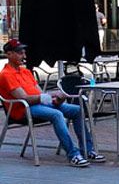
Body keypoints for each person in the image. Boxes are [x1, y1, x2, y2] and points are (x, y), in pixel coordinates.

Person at [0, 39, 102, 167]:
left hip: (38, 104)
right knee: (56, 114)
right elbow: (24, 98)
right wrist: (46, 98)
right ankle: (73, 154)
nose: (24, 55)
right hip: (22, 110)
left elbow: (39, 93)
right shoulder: (6, 74)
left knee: (77, 110)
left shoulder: (26, 72)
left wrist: (55, 98)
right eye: (20, 52)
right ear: (9, 54)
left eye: (24, 52)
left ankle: (87, 149)